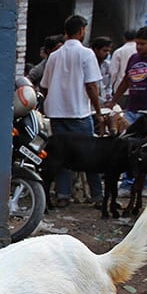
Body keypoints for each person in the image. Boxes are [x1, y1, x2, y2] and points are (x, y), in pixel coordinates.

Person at [40, 14, 104, 206]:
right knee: (90, 155)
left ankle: (63, 195)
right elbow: (92, 86)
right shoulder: (86, 54)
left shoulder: (54, 56)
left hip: (57, 113)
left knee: (61, 156)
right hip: (79, 113)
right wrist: (98, 112)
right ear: (81, 31)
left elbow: (44, 86)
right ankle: (97, 195)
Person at [108, 29, 138, 106]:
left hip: (121, 89)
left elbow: (113, 72)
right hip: (137, 89)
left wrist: (111, 87)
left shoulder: (119, 51)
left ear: (124, 38)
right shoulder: (140, 51)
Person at [91, 36, 114, 105]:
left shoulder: (107, 65)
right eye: (104, 51)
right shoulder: (88, 65)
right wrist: (103, 101)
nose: (107, 53)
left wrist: (109, 97)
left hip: (104, 103)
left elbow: (108, 86)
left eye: (108, 51)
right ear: (96, 50)